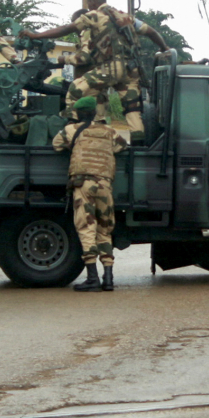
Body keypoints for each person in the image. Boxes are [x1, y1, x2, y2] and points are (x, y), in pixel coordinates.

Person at [22, 0, 171, 145]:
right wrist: (163, 48)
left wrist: (35, 35)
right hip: (132, 70)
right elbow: (152, 32)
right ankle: (139, 149)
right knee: (132, 109)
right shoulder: (126, 16)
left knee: (74, 89)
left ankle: (71, 131)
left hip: (110, 68)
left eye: (89, 3)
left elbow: (66, 29)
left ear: (92, 2)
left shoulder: (93, 16)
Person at [53, 96, 129, 292]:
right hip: (104, 185)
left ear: (77, 113)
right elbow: (123, 146)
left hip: (84, 185)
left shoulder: (72, 130)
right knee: (105, 229)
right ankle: (109, 279)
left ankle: (92, 278)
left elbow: (56, 144)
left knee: (87, 228)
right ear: (95, 113)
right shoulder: (109, 131)